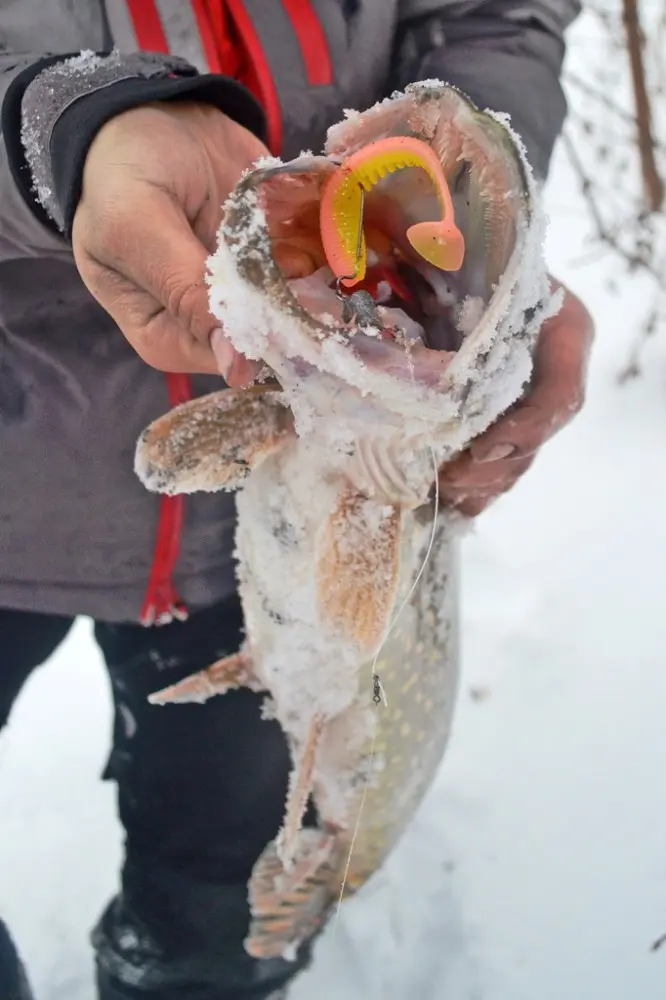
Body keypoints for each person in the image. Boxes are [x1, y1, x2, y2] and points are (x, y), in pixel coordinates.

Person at [0, 2, 593, 998]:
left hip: (265, 563)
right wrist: (61, 128)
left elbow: (496, 14)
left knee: (219, 933)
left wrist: (473, 234)